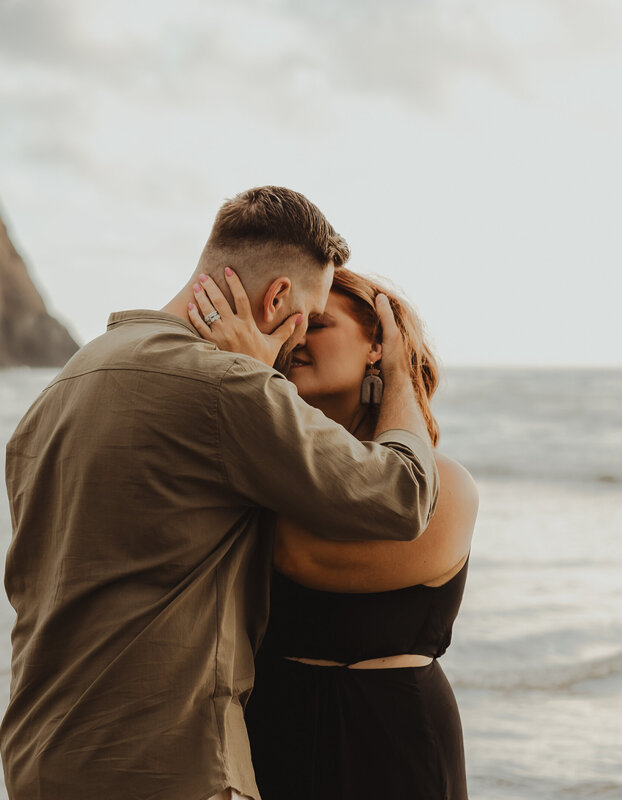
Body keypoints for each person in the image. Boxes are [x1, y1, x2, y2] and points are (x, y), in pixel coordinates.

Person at [1, 186, 440, 800]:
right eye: (307, 320)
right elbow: (405, 493)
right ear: (277, 297)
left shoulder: (65, 385)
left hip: (40, 759)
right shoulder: (227, 389)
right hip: (169, 769)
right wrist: (396, 374)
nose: (295, 345)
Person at [189, 267, 478, 799]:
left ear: (378, 345)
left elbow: (305, 556)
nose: (293, 338)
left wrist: (252, 382)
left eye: (317, 324)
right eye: (286, 324)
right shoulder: (260, 477)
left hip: (395, 741)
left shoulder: (449, 487)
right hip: (271, 733)